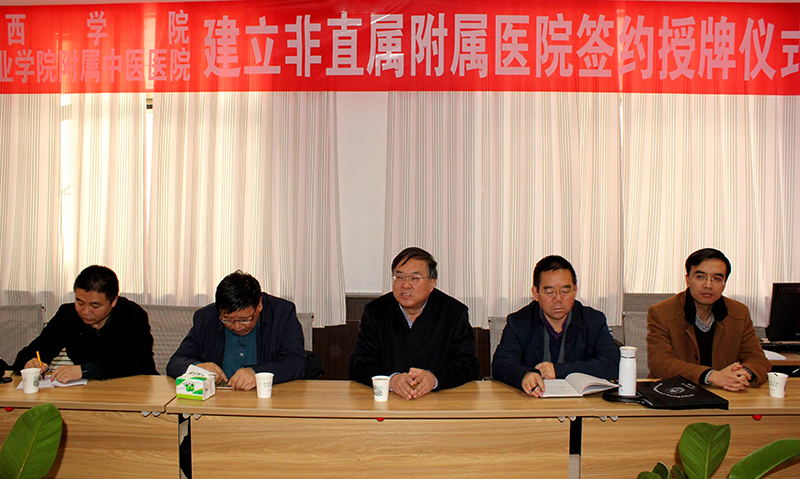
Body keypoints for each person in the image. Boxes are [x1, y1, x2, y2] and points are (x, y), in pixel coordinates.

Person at [349, 247, 479, 400]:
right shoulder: (376, 312)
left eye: (415, 278)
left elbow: (468, 363)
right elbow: (360, 363)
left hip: (438, 401)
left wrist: (434, 378)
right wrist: (392, 379)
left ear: (432, 282)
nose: (405, 285)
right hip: (390, 400)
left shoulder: (453, 312)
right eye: (400, 277)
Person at [492, 255, 619, 397]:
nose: (558, 298)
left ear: (575, 290)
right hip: (532, 402)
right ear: (536, 293)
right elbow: (500, 364)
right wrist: (523, 375)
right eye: (550, 292)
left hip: (582, 404)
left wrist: (559, 371)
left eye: (565, 291)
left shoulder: (593, 321)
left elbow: (611, 365)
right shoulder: (519, 322)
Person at [647, 248, 770, 390]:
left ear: (724, 283)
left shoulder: (739, 312)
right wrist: (711, 376)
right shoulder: (661, 312)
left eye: (717, 279)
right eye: (700, 277)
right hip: (675, 391)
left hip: (726, 392)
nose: (708, 285)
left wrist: (744, 374)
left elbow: (757, 359)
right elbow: (660, 362)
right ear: (687, 280)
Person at [12, 265, 158, 381]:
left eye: (95, 306)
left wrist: (86, 370)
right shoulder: (67, 315)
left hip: (133, 390)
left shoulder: (132, 315)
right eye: (80, 302)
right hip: (87, 392)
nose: (85, 311)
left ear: (114, 301)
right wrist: (29, 362)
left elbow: (140, 362)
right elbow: (34, 351)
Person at [167, 270, 305, 390]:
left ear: (259, 305)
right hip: (219, 401)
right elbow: (176, 362)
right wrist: (197, 369)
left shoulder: (281, 314)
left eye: (245, 319)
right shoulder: (206, 318)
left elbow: (296, 363)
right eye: (227, 319)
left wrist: (256, 373)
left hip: (268, 398)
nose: (237, 326)